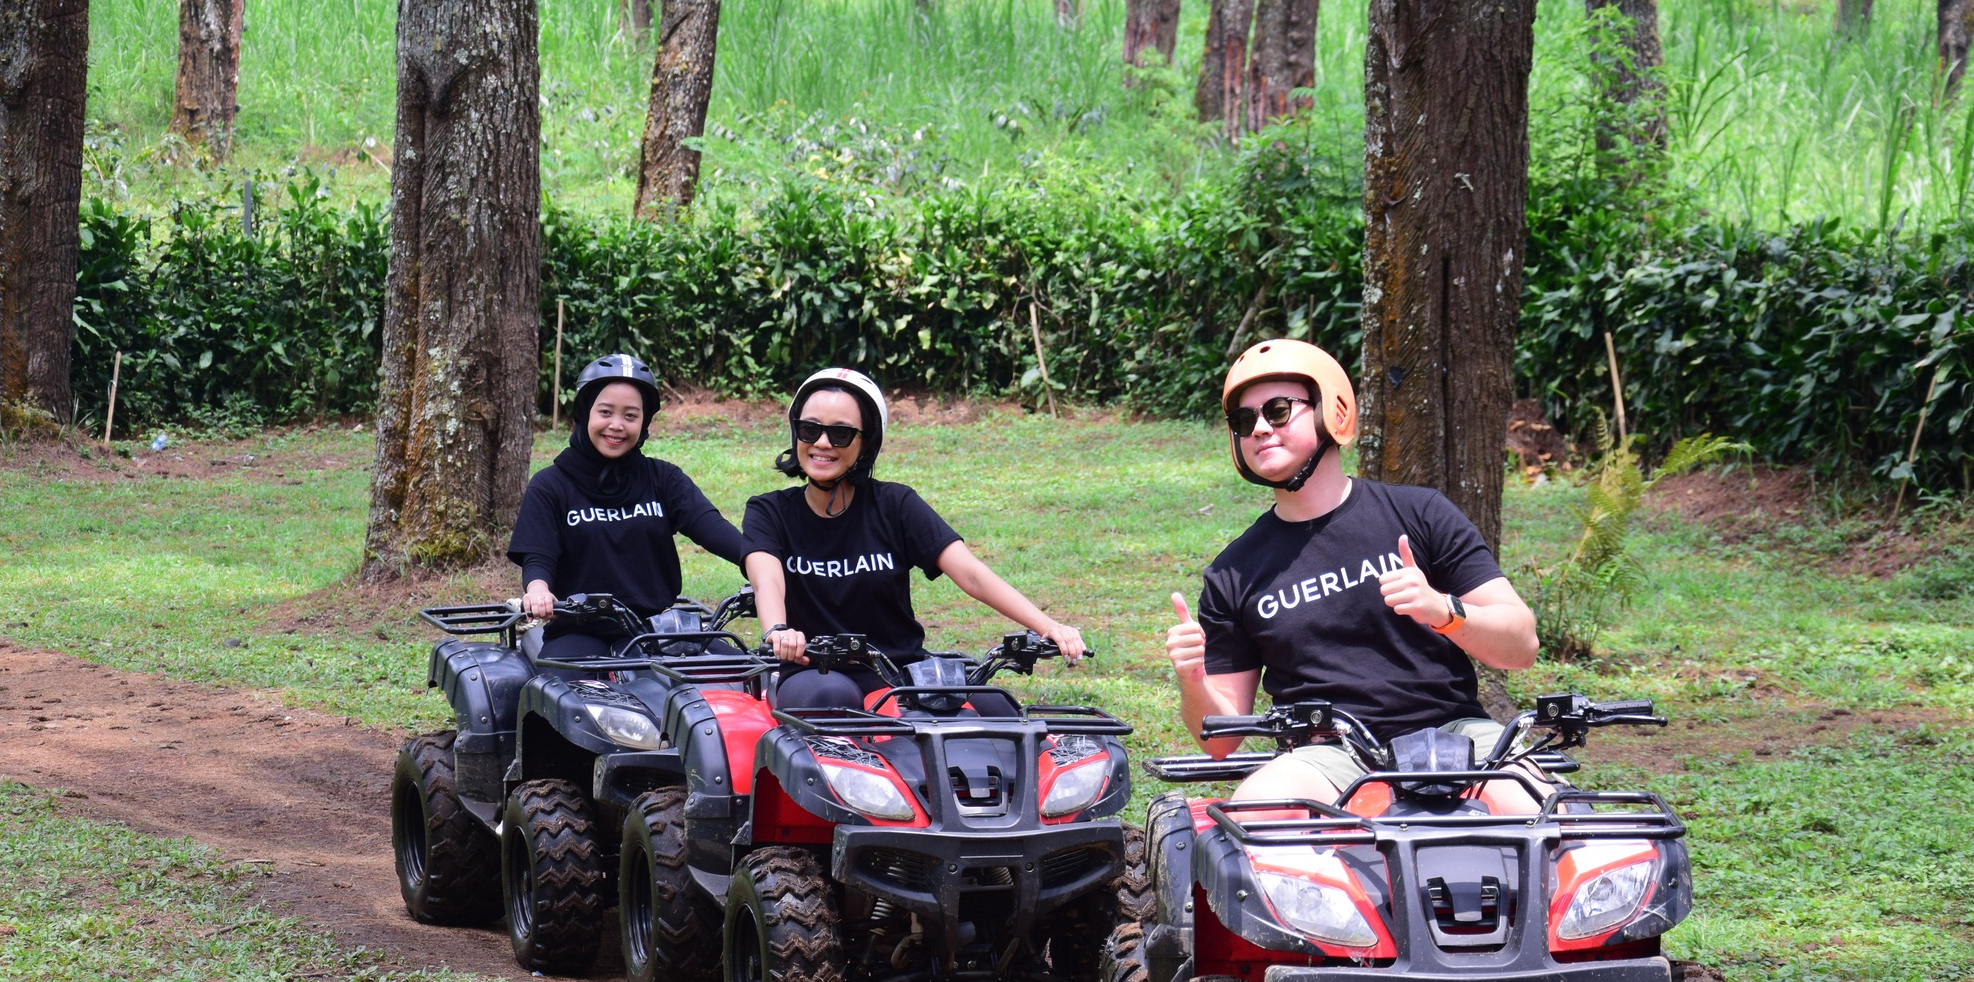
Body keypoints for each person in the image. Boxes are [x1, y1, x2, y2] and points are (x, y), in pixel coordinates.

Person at [1165, 339, 1540, 801]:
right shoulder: (1233, 574)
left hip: (1453, 733)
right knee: (1256, 813)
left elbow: (1520, 645)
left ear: (1331, 410)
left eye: (1278, 410)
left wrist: (1444, 610)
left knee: (1539, 812)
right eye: (1245, 420)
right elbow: (1221, 739)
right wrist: (1192, 679)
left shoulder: (1421, 514)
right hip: (1322, 752)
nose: (1260, 428)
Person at [743, 367, 1086, 714]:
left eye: (841, 434)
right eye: (810, 429)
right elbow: (767, 579)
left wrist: (1048, 626)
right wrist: (778, 629)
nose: (822, 443)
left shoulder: (896, 505)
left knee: (1000, 710)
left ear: (866, 442)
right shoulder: (769, 511)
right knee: (833, 700)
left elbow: (970, 573)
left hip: (900, 672)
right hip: (814, 672)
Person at [506, 354, 747, 660]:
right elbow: (538, 557)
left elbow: (713, 529)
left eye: (630, 416)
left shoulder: (663, 479)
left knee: (737, 674)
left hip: (655, 629)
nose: (616, 426)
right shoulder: (551, 485)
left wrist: (763, 565)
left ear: (644, 421)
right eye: (605, 412)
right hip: (578, 631)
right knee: (567, 697)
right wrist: (538, 590)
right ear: (585, 413)